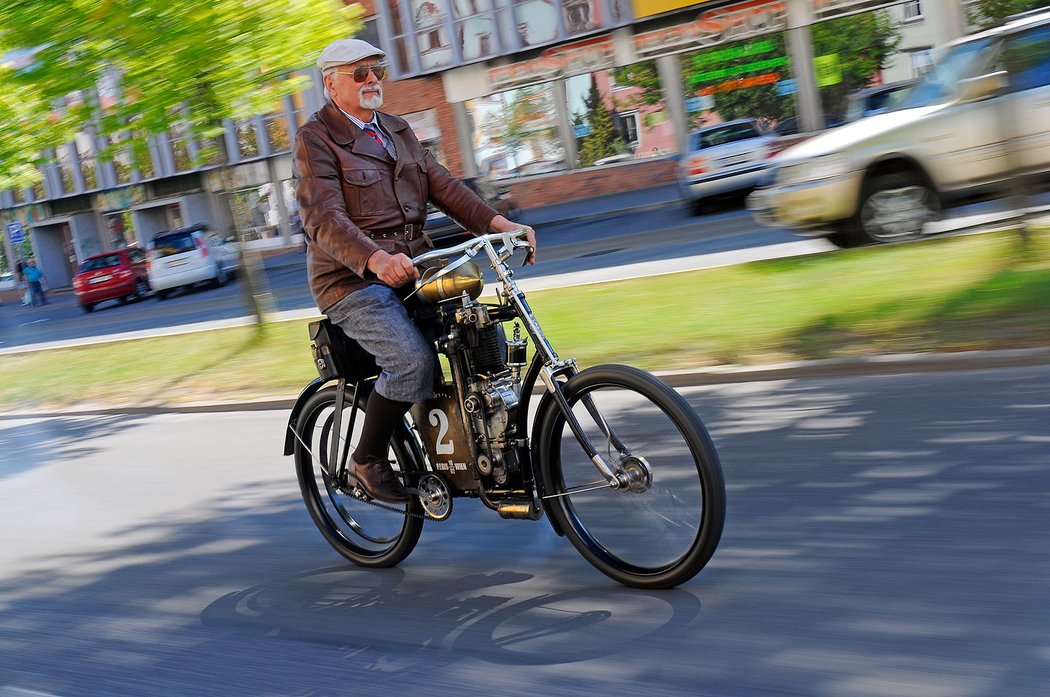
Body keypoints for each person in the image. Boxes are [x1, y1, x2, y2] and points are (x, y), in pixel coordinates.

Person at [293, 39, 536, 504]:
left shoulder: (397, 129)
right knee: (412, 362)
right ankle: (366, 461)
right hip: (350, 280)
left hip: (413, 266)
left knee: (484, 336)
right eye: (359, 73)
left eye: (377, 71)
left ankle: (479, 448)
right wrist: (374, 259)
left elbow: (443, 186)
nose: (372, 81)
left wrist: (499, 223)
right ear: (330, 83)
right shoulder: (316, 139)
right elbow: (323, 217)